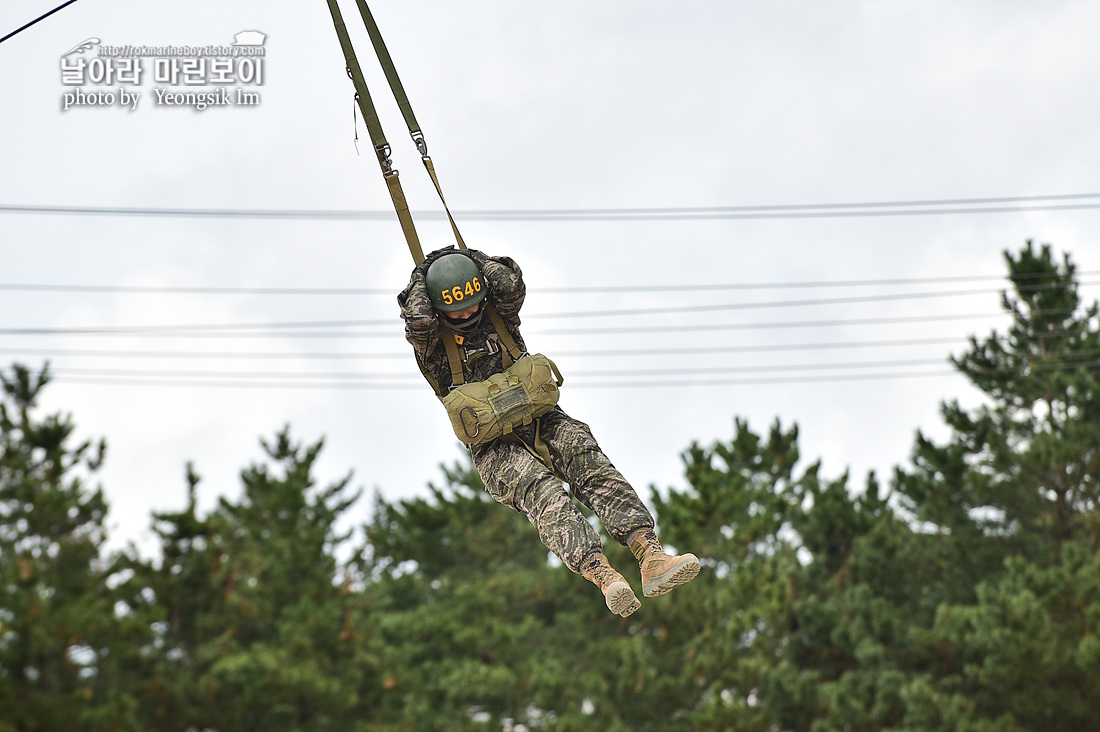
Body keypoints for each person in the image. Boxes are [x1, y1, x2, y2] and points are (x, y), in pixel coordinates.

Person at [398, 246, 700, 616]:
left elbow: (509, 284)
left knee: (586, 458)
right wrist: (425, 274)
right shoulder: (432, 346)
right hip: (496, 449)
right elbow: (418, 319)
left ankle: (649, 554)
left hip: (544, 418)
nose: (468, 312)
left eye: (473, 301)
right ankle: (604, 576)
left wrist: (470, 258)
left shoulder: (499, 315)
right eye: (456, 308)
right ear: (439, 309)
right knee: (542, 492)